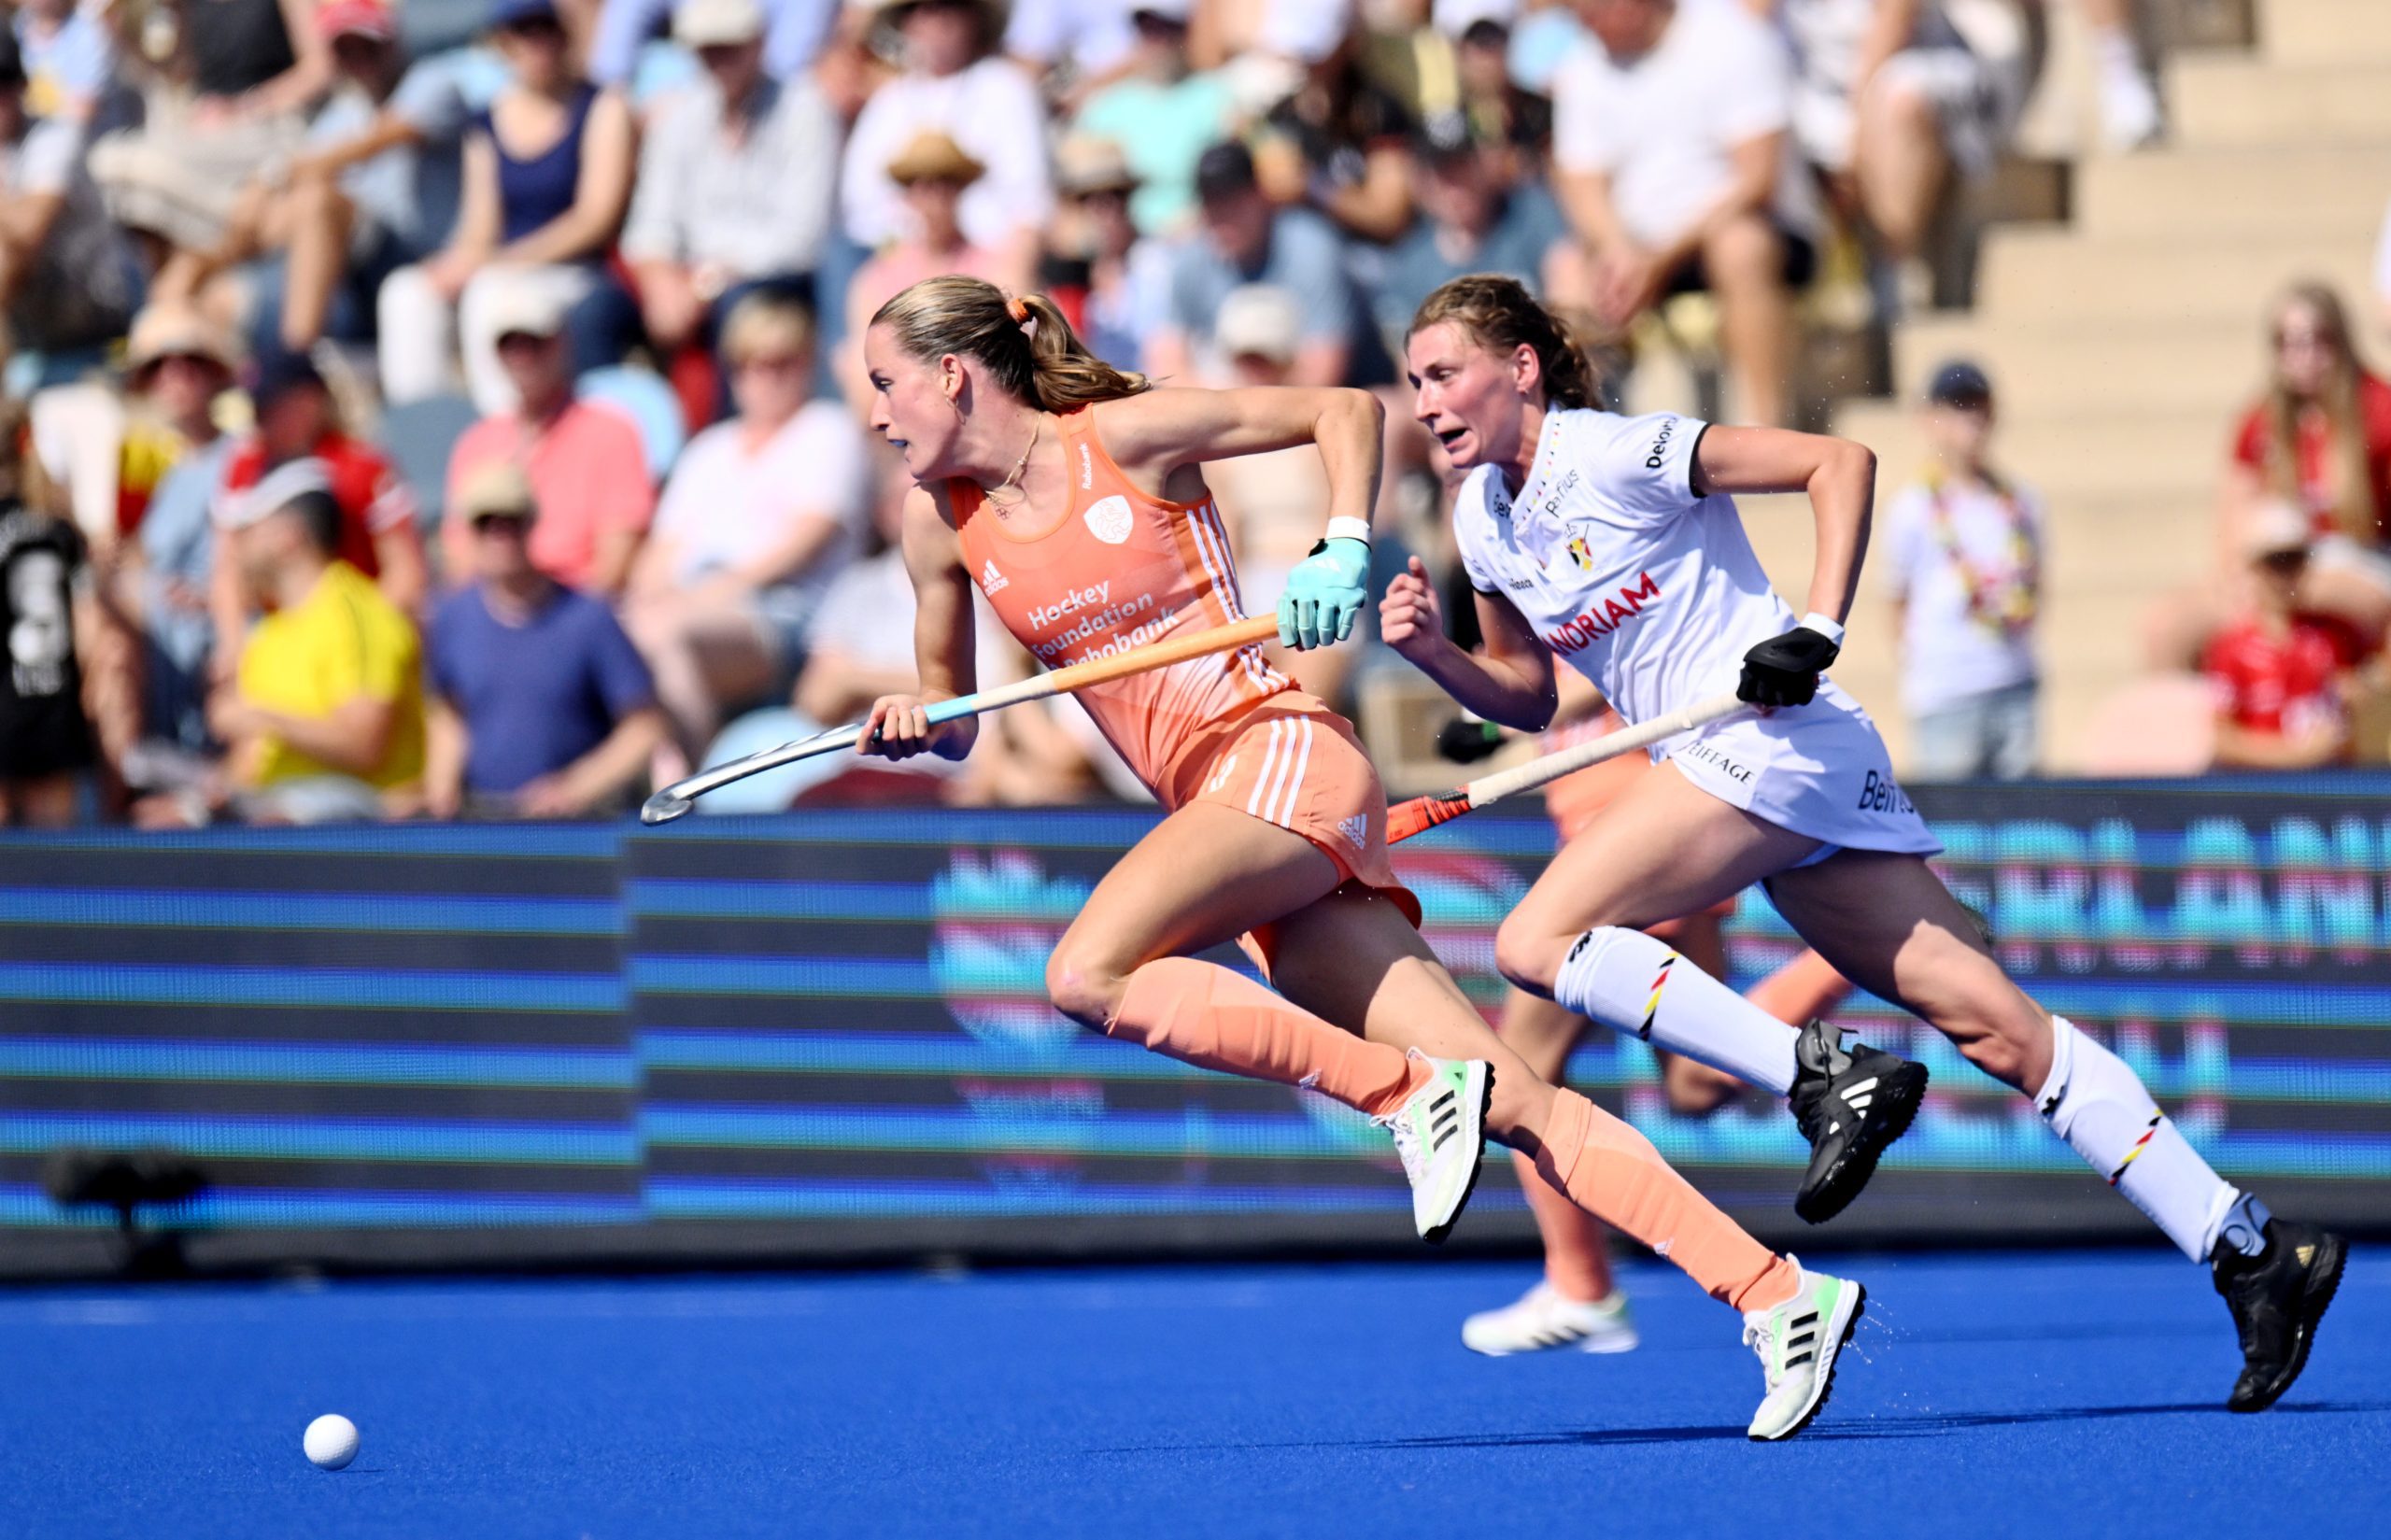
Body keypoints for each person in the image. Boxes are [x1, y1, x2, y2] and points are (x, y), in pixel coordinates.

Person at [854, 272, 1870, 1441]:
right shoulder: (934, 523)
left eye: (885, 383)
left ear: (951, 372)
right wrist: (918, 722)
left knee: (1084, 974)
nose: (876, 413)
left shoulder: (1123, 435)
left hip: (1282, 758)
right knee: (1519, 1103)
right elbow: (960, 717)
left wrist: (1341, 546)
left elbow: (1349, 412)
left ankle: (1403, 1096)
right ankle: (1780, 1293)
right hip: (1226, 813)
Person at [1386, 272, 2344, 1411]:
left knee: (1535, 936)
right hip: (1734, 766)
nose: (1426, 404)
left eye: (1444, 374)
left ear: (1521, 368)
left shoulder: (1614, 451)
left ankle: (1817, 1074)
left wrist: (1816, 626)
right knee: (1997, 1028)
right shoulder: (1478, 520)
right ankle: (2248, 1245)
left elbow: (1837, 464)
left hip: (1775, 735)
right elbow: (1532, 694)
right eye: (1412, 384)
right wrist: (1434, 657)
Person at [1459, 672, 1855, 1356]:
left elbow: (1579, 677)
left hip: (1619, 833)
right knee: (1693, 1089)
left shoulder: (1566, 580)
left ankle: (1582, 1284)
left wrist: (1492, 725)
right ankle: (1855, 956)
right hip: (1634, 828)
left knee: (1512, 1069)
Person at [1549, 0, 1819, 428]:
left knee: (1741, 248)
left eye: (1593, 10)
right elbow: (1581, 182)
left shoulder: (1732, 39)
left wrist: (1661, 257)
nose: (1585, 21)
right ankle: (1586, 435)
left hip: (1743, 230)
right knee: (1568, 269)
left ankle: (1765, 427)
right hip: (1639, 243)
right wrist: (1621, 250)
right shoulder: (1582, 66)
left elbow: (1756, 178)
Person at [627, 291, 868, 768]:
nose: (763, 378)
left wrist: (719, 591)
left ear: (805, 363)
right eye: (747, 364)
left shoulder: (828, 430)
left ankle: (698, 791)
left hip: (788, 614)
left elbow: (809, 535)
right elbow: (661, 551)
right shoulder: (709, 449)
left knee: (666, 640)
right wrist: (651, 596)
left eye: (779, 363)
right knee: (616, 637)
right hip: (700, 604)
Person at [375, 0, 636, 413]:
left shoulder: (603, 106)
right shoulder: (488, 121)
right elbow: (482, 223)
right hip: (504, 264)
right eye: (523, 31)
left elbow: (595, 219)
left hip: (575, 271)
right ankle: (419, 432)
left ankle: (505, 435)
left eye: (545, 28)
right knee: (406, 292)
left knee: (490, 295)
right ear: (502, 43)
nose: (537, 43)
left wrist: (504, 261)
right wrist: (455, 264)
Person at [198, 0, 477, 354]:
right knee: (224, 264)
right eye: (344, 50)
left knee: (317, 201)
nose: (358, 59)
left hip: (420, 254)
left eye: (367, 44)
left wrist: (281, 174)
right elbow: (302, 173)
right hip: (359, 270)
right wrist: (249, 212)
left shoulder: (433, 83)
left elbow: (382, 138)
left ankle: (296, 357)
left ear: (391, 41)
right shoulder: (340, 114)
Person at [426, 461, 667, 817]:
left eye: (511, 521)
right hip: (483, 816)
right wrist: (441, 790)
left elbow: (644, 727)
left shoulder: (587, 617)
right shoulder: (452, 617)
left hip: (576, 824)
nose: (500, 535)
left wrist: (576, 788)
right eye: (485, 523)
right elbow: (450, 713)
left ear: (531, 523)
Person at [617, 0, 840, 371]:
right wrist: (661, 281)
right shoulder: (679, 115)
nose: (719, 60)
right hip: (692, 279)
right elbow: (650, 221)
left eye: (729, 46)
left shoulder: (805, 108)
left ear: (759, 42)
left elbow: (802, 238)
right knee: (601, 308)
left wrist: (705, 282)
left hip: (772, 283)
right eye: (708, 50)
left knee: (742, 309)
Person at [206, 467, 428, 823]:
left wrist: (261, 717)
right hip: (283, 822)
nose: (234, 547)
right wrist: (200, 801)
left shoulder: (358, 616)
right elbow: (250, 766)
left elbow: (364, 745)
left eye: (247, 531)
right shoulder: (268, 635)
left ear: (287, 537)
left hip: (359, 833)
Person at [211, 347, 426, 671]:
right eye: (255, 406)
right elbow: (227, 568)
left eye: (268, 405)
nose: (257, 417)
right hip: (275, 639)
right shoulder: (245, 465)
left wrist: (354, 635)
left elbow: (406, 573)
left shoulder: (365, 467)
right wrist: (235, 643)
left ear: (309, 400)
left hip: (355, 644)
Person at [1882, 360, 2041, 781]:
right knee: (1956, 827)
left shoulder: (2020, 503)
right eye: (1956, 405)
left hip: (2013, 681)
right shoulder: (1912, 509)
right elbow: (1896, 602)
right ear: (1928, 418)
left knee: (2024, 828)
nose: (1970, 417)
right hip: (1946, 691)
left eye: (1977, 404)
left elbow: (2035, 586)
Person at [441, 285, 653, 599]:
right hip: (498, 610)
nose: (522, 356)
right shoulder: (476, 443)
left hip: (575, 609)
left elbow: (614, 562)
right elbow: (461, 557)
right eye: (509, 345)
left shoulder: (612, 433)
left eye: (534, 342)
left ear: (561, 344)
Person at [107, 307, 243, 755]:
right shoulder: (163, 472)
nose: (175, 375)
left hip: (220, 640)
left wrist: (213, 601)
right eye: (159, 366)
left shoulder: (243, 457)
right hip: (167, 648)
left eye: (191, 361)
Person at [838, 0, 1051, 283]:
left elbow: (1029, 204)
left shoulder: (1005, 88)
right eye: (921, 9)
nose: (936, 19)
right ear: (906, 21)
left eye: (947, 6)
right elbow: (861, 205)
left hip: (988, 266)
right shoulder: (888, 102)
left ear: (974, 17)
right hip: (905, 267)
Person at [1147, 141, 1364, 389]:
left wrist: (1244, 411)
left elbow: (1323, 372)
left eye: (1233, 201)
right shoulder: (1191, 257)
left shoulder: (1312, 248)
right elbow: (1165, 362)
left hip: (1321, 405)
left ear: (1260, 195)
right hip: (1224, 404)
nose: (1223, 216)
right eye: (1211, 203)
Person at [839, 131, 1014, 410]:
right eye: (922, 186)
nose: (934, 198)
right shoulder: (876, 279)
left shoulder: (997, 269)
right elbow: (865, 382)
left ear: (959, 190)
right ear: (908, 195)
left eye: (945, 184)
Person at [0, 32, 140, 380]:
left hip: (98, 309)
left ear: (22, 87)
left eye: (1, 89)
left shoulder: (55, 136)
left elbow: (28, 230)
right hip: (35, 324)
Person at [2202, 502, 2361, 772]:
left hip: (2324, 784)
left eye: (2294, 560)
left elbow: (2355, 706)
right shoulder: (2231, 647)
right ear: (2254, 569)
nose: (2285, 575)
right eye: (2275, 562)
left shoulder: (2335, 635)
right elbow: (2223, 740)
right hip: (2260, 791)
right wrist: (2296, 756)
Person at [0, 400, 99, 827]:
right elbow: (90, 629)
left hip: (5, 707)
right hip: (57, 713)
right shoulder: (60, 530)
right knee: (58, 869)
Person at [1070, 3, 1234, 238]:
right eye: (1145, 27)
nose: (1155, 39)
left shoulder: (1217, 97)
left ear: (1183, 30)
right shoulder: (1104, 108)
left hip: (1200, 240)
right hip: (1124, 246)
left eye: (1164, 27)